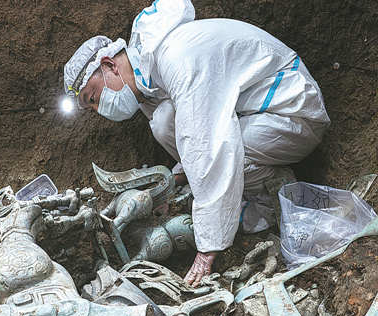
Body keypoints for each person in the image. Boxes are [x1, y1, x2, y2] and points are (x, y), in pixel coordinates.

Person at [64, 0, 330, 286]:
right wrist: (175, 179)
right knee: (165, 118)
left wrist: (207, 248)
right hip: (252, 112)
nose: (99, 108)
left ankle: (269, 197)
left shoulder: (176, 56)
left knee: (222, 150)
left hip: (291, 110)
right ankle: (237, 191)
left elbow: (207, 144)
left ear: (109, 66)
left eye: (93, 97)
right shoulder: (147, 76)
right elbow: (185, 128)